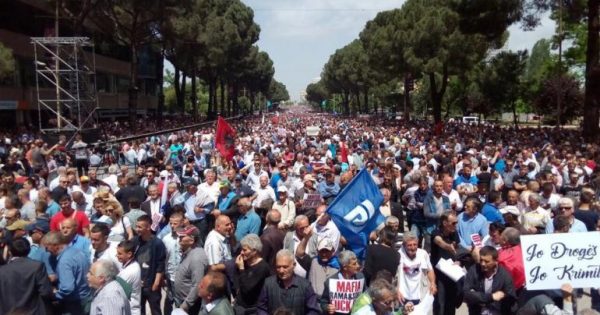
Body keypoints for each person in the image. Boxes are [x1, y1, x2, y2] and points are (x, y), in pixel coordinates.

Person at [257, 249, 321, 315]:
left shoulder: (305, 286)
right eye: (278, 267)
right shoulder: (268, 284)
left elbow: (314, 310)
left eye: (285, 267)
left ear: (294, 265)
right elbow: (261, 308)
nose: (281, 271)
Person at [43, 231, 91, 314]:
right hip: (86, 297)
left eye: (47, 248)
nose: (47, 251)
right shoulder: (78, 252)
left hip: (74, 303)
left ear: (55, 245)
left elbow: (68, 288)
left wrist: (55, 295)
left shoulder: (64, 261)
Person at [0, 238, 53, 315]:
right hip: (33, 311)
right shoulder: (37, 266)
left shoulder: (2, 270)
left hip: (9, 311)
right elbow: (45, 292)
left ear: (10, 252)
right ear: (29, 250)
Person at [463, 246, 517, 315]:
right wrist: (491, 297)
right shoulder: (474, 270)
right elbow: (466, 294)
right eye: (481, 260)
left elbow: (511, 300)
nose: (483, 264)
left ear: (496, 261)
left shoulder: (505, 275)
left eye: (486, 261)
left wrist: (477, 296)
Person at [134, 215, 166, 315]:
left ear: (148, 227)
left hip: (151, 283)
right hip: (139, 284)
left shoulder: (157, 243)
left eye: (140, 227)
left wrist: (156, 283)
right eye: (137, 226)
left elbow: (160, 264)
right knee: (140, 310)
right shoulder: (135, 241)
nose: (137, 229)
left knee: (155, 310)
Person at [430, 211, 460, 315]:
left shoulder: (454, 234)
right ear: (444, 223)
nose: (455, 225)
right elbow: (439, 242)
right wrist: (448, 246)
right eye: (453, 223)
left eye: (456, 223)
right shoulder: (436, 232)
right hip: (439, 274)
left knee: (451, 303)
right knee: (439, 302)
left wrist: (458, 261)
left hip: (451, 273)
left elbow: (458, 250)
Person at [174, 226, 209, 314]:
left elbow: (197, 285)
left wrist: (185, 305)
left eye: (182, 237)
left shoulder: (197, 258)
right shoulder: (188, 252)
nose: (179, 239)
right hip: (183, 301)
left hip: (191, 306)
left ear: (192, 240)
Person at [235, 234, 272, 314]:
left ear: (254, 251)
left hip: (252, 309)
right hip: (240, 306)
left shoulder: (262, 268)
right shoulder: (244, 263)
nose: (241, 253)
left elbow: (247, 288)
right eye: (242, 249)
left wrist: (241, 269)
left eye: (245, 250)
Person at [320, 250, 365, 315]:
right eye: (354, 264)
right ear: (345, 267)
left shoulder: (360, 277)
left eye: (357, 262)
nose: (358, 266)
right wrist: (328, 307)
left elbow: (365, 296)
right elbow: (323, 302)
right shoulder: (330, 282)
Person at [397, 232, 436, 305]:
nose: (412, 247)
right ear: (404, 245)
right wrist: (396, 291)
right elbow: (394, 277)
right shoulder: (398, 255)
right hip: (403, 296)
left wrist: (433, 283)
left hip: (420, 295)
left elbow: (430, 270)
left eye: (415, 244)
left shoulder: (423, 254)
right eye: (409, 245)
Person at [117, 240, 142, 315]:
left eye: (120, 254)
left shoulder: (131, 271)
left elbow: (117, 292)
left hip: (131, 311)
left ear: (129, 254)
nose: (117, 255)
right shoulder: (129, 265)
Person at [498, 227, 525, 293]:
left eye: (501, 235)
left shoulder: (502, 257)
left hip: (509, 291)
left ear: (505, 240)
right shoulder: (526, 250)